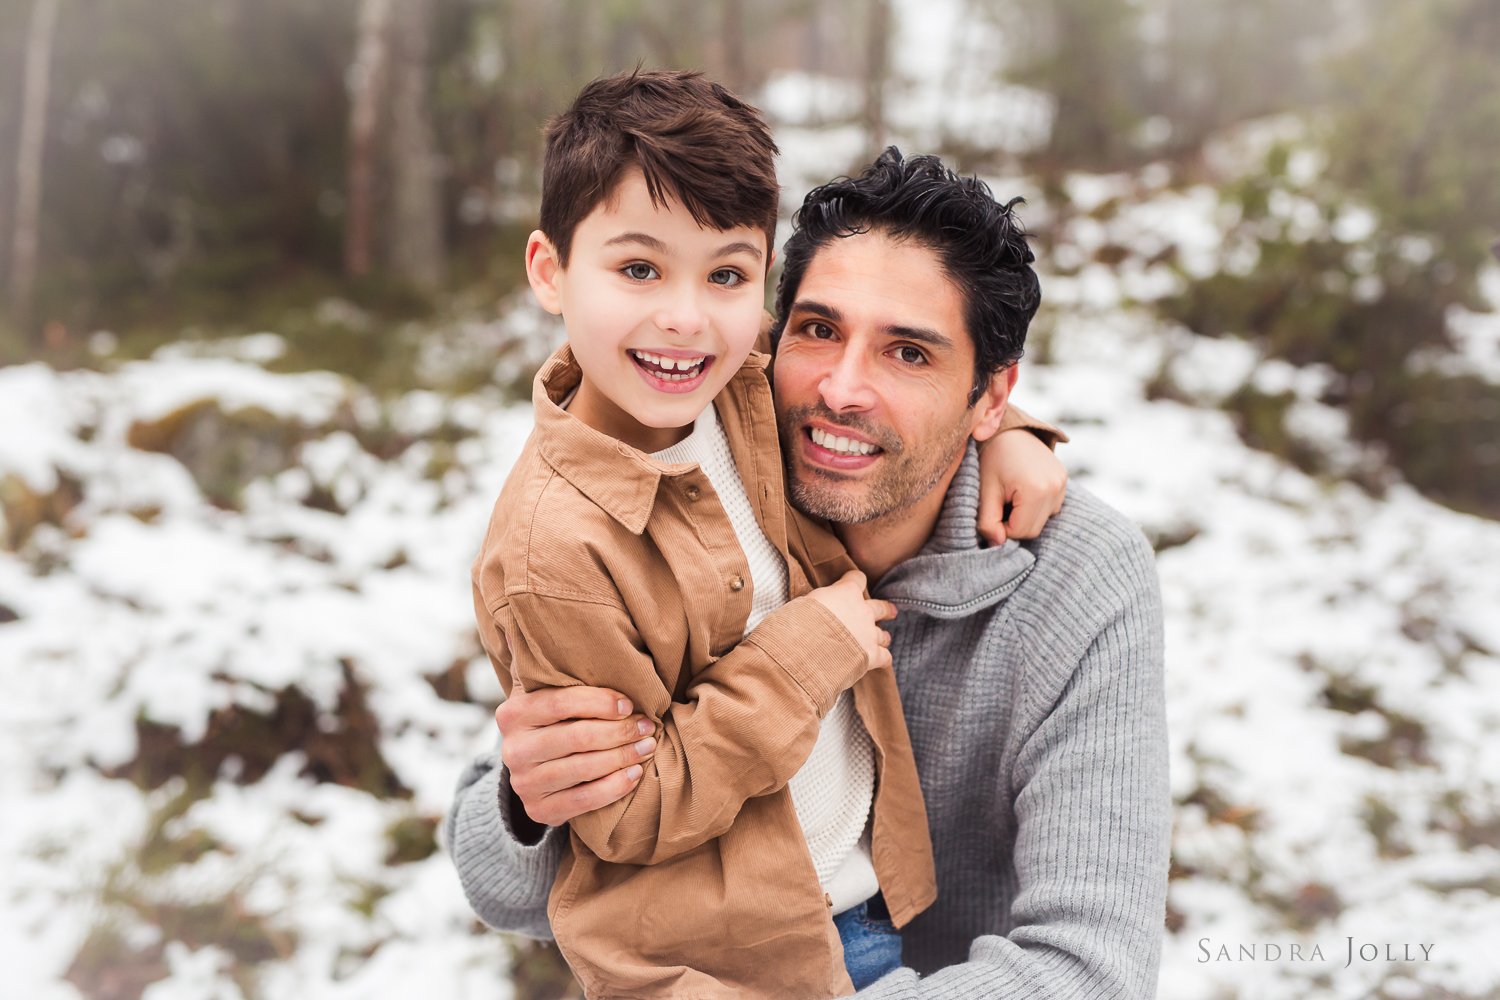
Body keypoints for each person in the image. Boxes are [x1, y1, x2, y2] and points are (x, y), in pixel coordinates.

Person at [450, 144, 1169, 999]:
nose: (840, 390)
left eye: (910, 353)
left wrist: (1012, 437)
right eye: (819, 331)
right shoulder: (705, 475)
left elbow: (1092, 972)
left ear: (990, 398)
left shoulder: (1080, 577)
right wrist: (535, 800)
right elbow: (500, 887)